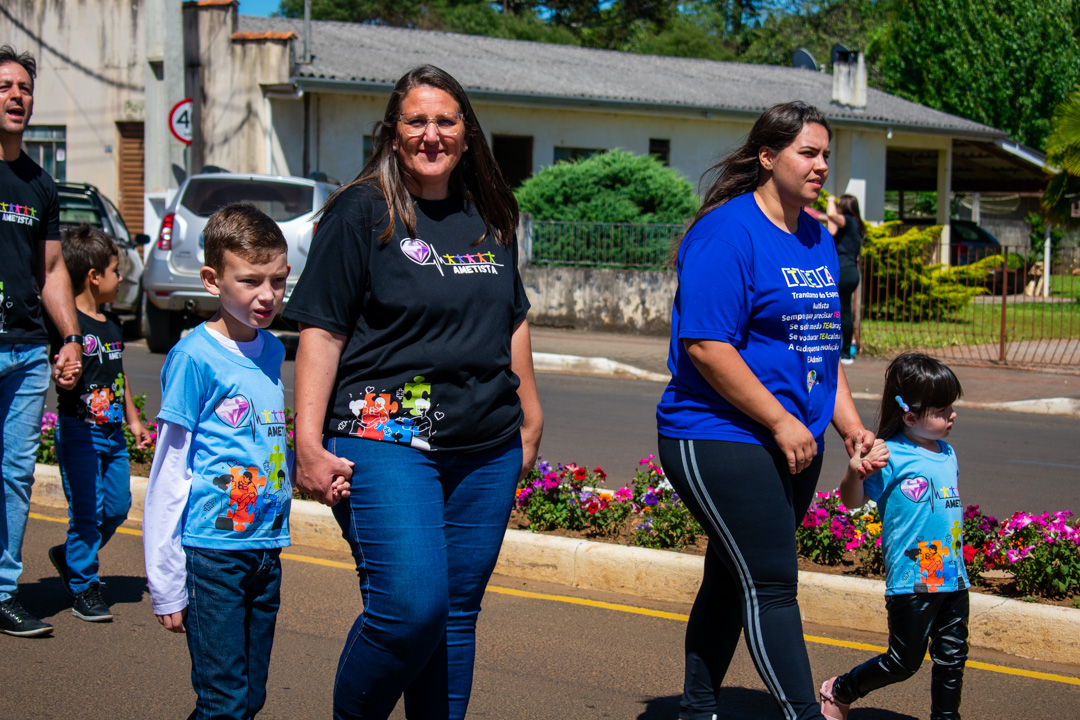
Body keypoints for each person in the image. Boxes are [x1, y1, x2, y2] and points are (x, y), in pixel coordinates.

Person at [283, 64, 542, 719]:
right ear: (394, 133)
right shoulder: (362, 210)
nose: (431, 134)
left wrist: (530, 414)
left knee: (454, 616)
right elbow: (322, 329)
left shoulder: (492, 213)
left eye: (445, 121)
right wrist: (307, 440)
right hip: (383, 433)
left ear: (466, 132)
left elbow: (511, 315)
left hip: (486, 444)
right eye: (416, 121)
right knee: (408, 610)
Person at [655, 101, 885, 720]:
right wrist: (780, 420)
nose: (820, 166)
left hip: (795, 440)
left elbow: (819, 347)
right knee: (774, 583)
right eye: (807, 153)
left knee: (732, 578)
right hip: (717, 433)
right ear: (767, 156)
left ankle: (696, 709)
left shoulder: (815, 235)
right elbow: (706, 345)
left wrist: (852, 427)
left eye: (825, 156)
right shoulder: (726, 234)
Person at [142, 203, 299, 718]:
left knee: (247, 697)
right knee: (224, 700)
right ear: (212, 280)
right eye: (251, 280)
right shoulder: (193, 357)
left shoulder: (273, 350)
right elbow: (169, 471)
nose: (267, 295)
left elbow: (264, 439)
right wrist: (165, 580)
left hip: (264, 549)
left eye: (278, 280)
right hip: (213, 553)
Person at [820, 353, 968, 720]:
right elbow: (851, 501)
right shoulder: (889, 455)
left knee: (952, 657)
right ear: (910, 416)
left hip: (952, 573)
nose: (952, 415)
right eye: (942, 409)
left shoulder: (946, 452)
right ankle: (840, 689)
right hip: (913, 577)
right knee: (903, 662)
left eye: (951, 407)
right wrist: (855, 471)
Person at [0, 44, 83, 638]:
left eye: (24, 88)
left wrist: (71, 339)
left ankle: (3, 591)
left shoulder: (38, 184)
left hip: (27, 349)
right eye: (5, 86)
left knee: (13, 474)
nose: (17, 97)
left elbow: (52, 270)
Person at [47, 225, 152, 622]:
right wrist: (63, 374)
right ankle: (84, 586)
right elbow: (62, 367)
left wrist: (134, 421)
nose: (121, 278)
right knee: (87, 514)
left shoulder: (110, 324)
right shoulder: (68, 323)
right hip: (79, 432)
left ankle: (70, 556)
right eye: (114, 270)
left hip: (112, 434)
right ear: (93, 276)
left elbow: (118, 376)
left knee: (119, 506)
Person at [825, 194, 865, 364]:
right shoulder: (854, 225)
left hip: (845, 271)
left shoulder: (849, 221)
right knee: (840, 311)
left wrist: (830, 200)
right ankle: (843, 349)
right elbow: (830, 230)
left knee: (842, 312)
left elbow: (832, 216)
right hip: (849, 271)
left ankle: (846, 351)